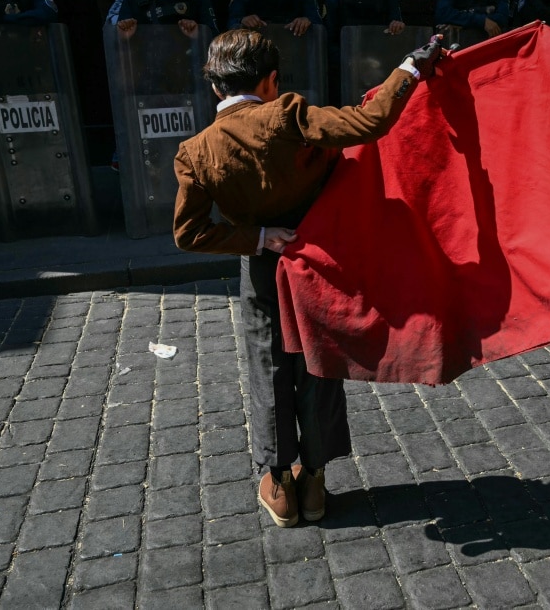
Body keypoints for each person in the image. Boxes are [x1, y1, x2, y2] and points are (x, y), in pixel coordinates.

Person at [172, 29, 442, 527]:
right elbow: (372, 120)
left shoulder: (195, 150)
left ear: (215, 88)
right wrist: (409, 67)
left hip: (262, 267)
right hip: (318, 264)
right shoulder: (287, 114)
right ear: (271, 80)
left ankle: (278, 484)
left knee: (267, 368)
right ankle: (314, 479)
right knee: (318, 365)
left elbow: (188, 233)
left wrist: (257, 237)